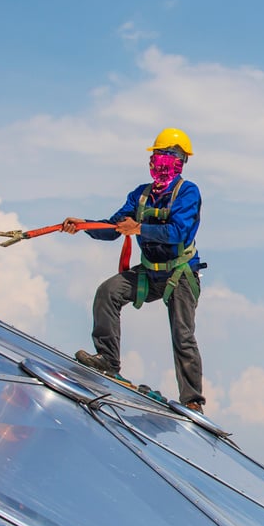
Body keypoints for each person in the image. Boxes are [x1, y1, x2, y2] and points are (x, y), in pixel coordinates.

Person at [63, 127, 206, 412]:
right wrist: (84, 226)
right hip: (150, 272)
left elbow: (179, 231)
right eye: (160, 154)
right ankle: (107, 358)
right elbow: (114, 228)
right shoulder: (139, 196)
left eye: (171, 156)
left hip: (179, 273)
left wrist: (140, 228)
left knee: (183, 333)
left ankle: (192, 400)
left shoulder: (187, 193)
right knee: (108, 292)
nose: (164, 160)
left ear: (181, 162)